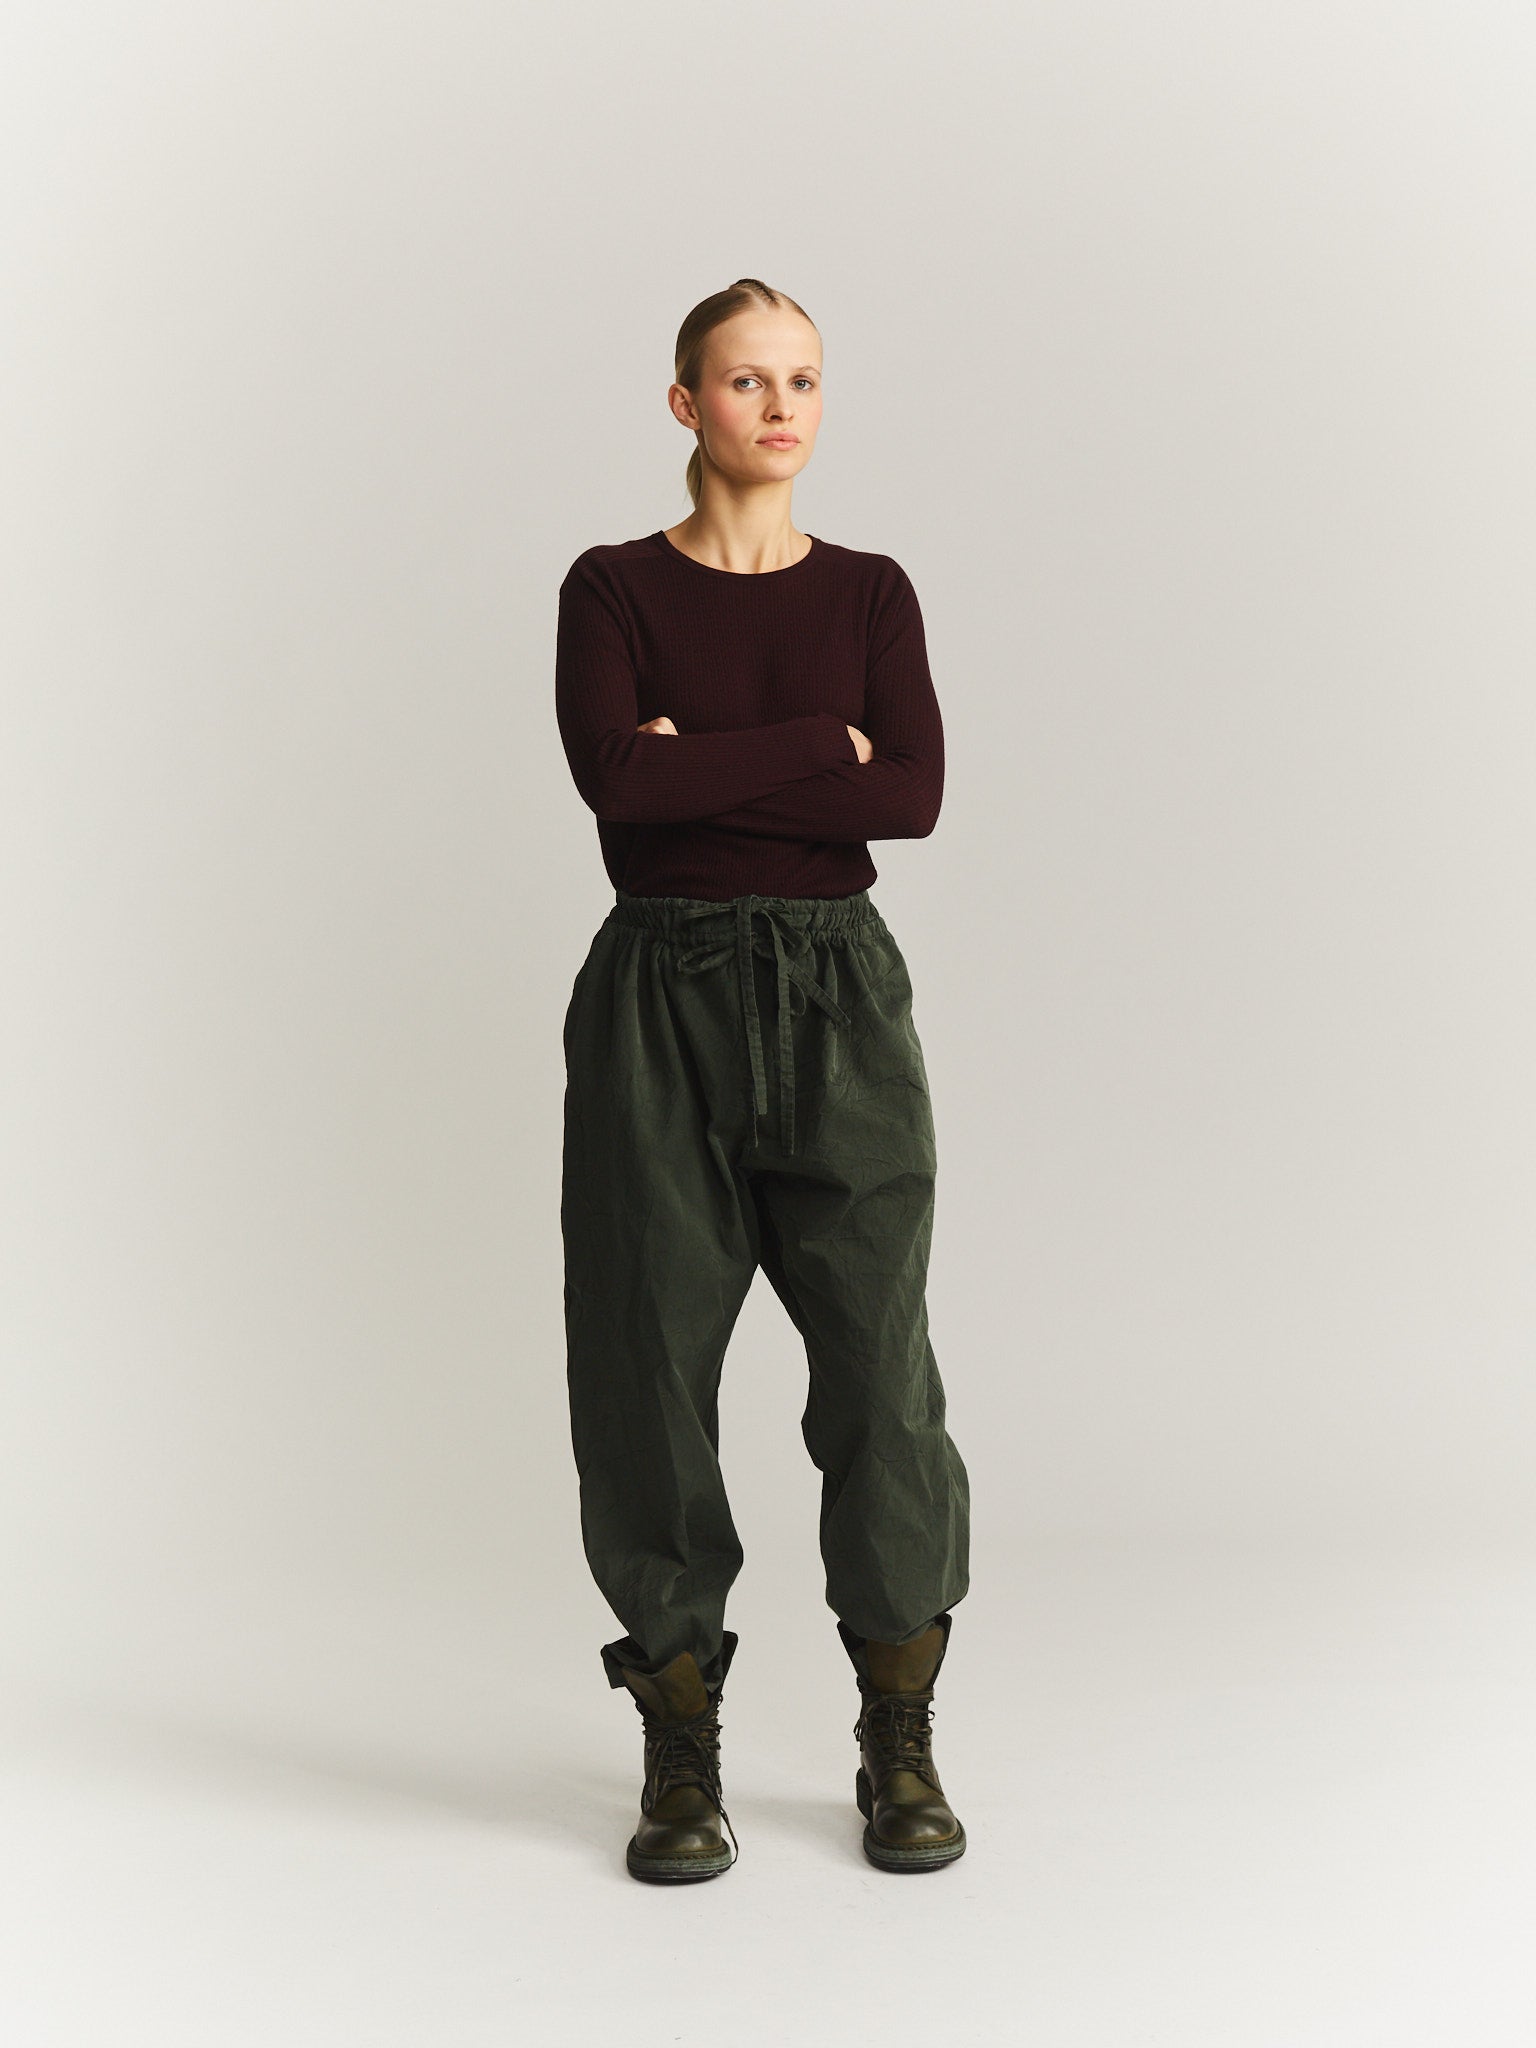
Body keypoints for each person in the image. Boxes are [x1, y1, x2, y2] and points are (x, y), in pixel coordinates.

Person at [555, 277, 971, 1882]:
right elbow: (618, 783)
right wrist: (819, 749)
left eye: (801, 379)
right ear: (687, 404)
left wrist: (705, 764)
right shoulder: (611, 589)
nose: (779, 407)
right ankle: (679, 1754)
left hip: (837, 999)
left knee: (880, 1373)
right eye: (745, 381)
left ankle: (898, 1736)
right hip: (657, 996)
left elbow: (913, 798)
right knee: (645, 1367)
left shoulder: (870, 593)